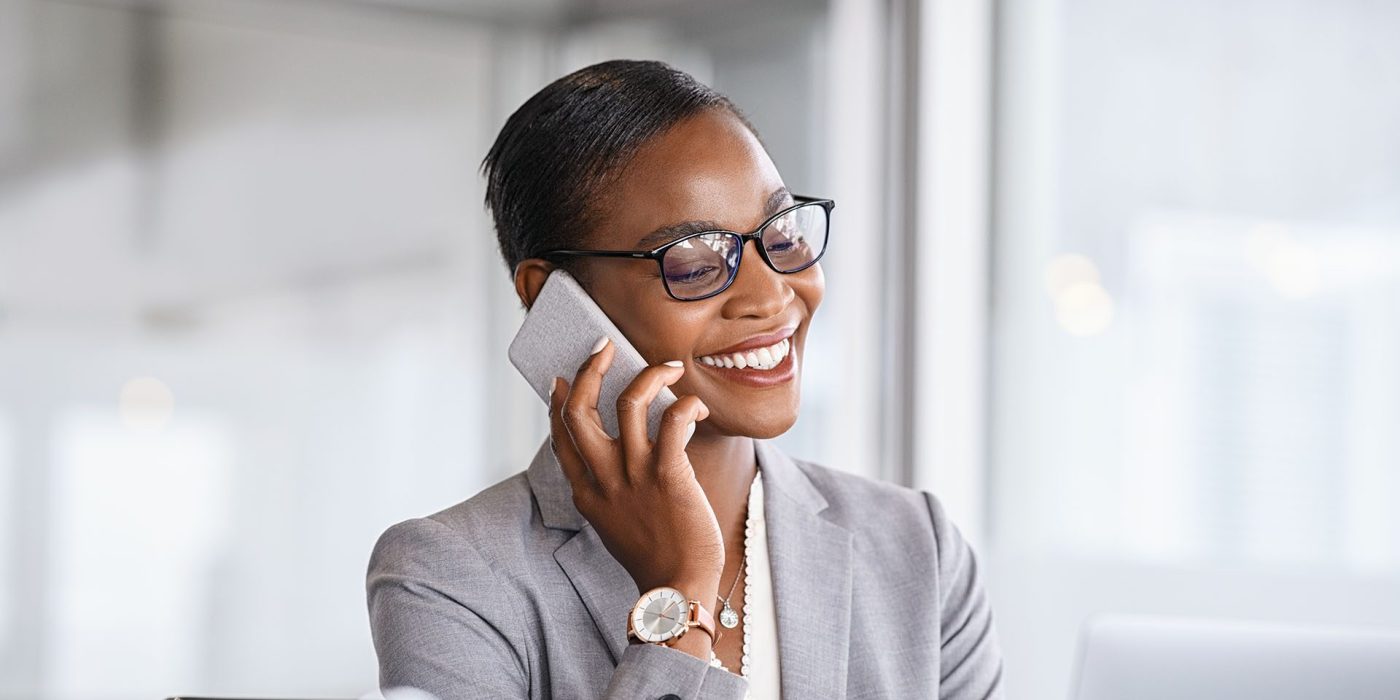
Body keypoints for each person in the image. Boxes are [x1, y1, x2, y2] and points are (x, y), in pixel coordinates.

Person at [365, 58, 1005, 700]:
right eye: (695, 262)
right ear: (554, 300)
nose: (772, 295)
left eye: (780, 235)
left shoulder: (918, 549)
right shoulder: (449, 577)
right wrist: (679, 594)